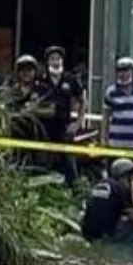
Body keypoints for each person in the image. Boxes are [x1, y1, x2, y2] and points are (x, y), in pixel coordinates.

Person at [80, 158, 133, 262]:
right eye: (132, 176)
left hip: (88, 233)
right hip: (107, 236)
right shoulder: (122, 187)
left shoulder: (101, 183)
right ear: (126, 175)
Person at [39, 45, 84, 187]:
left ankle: (75, 191)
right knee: (44, 163)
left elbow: (83, 99)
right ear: (47, 62)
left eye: (58, 58)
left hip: (65, 128)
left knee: (69, 162)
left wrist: (77, 122)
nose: (55, 62)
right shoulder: (41, 79)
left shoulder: (70, 79)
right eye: (52, 59)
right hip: (43, 128)